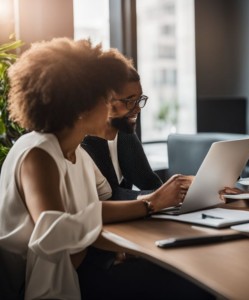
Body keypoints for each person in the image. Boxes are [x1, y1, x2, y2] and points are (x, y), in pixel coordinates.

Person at [0, 38, 211, 299]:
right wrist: (150, 204)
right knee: (187, 285)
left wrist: (159, 199)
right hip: (36, 289)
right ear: (79, 105)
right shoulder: (38, 153)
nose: (114, 108)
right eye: (107, 100)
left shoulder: (77, 154)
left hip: (72, 274)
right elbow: (51, 232)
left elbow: (103, 201)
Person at [81, 67, 192, 200]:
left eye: (139, 100)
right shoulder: (84, 140)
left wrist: (186, 190)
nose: (138, 108)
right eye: (130, 101)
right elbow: (109, 197)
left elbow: (149, 182)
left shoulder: (124, 133)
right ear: (107, 101)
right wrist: (158, 198)